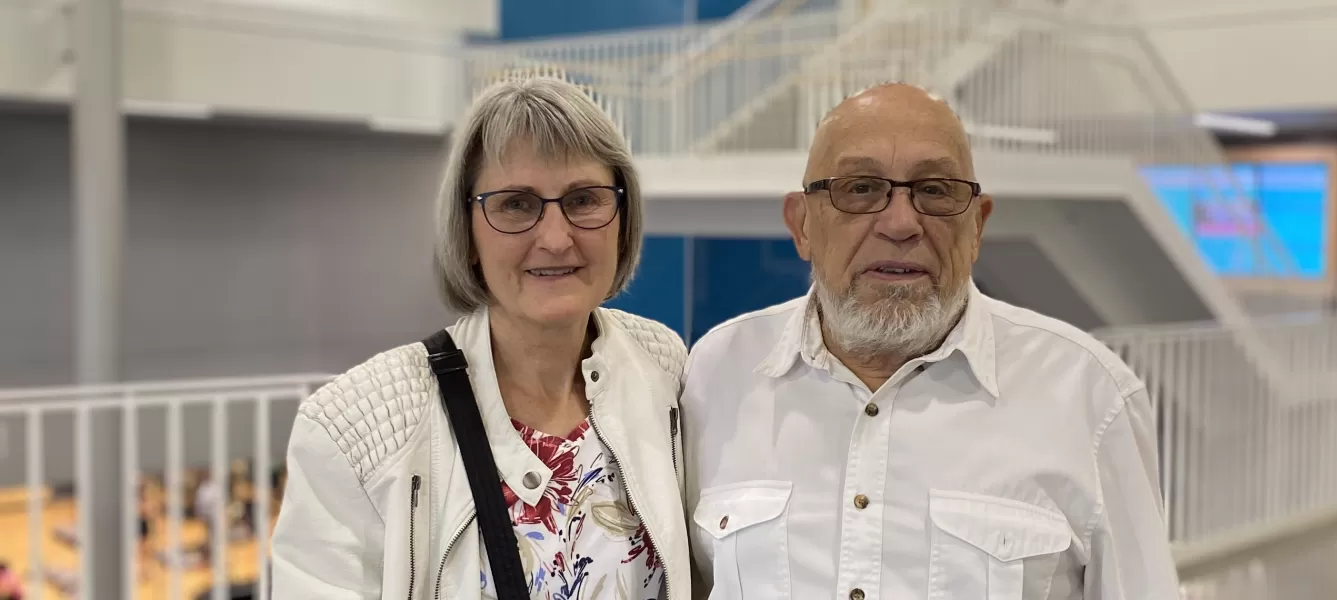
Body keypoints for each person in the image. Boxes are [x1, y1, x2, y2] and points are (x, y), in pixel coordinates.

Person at [681, 83, 1179, 599]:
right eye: (860, 188)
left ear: (977, 226)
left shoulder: (1089, 396)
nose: (901, 224)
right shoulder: (717, 375)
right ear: (802, 224)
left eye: (936, 191)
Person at [270, 77, 691, 600]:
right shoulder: (356, 430)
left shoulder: (662, 365)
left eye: (584, 199)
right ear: (467, 234)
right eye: (516, 205)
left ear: (622, 222)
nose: (556, 238)